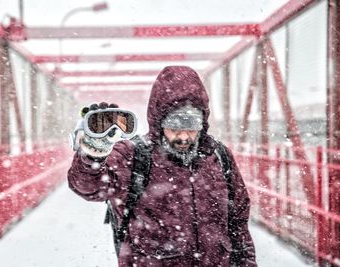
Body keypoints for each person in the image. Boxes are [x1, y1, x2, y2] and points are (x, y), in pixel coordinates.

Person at [67, 66, 257, 266]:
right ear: (159, 121)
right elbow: (88, 186)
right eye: (175, 125)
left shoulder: (219, 156)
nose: (184, 136)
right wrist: (94, 153)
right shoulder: (134, 155)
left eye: (192, 124)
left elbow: (238, 224)